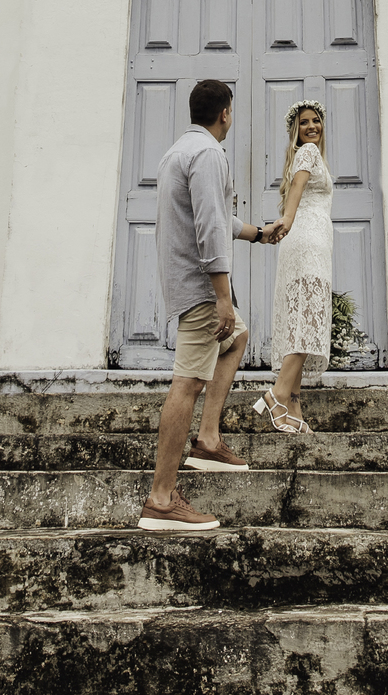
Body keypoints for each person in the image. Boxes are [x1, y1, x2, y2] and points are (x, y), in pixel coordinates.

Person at [138, 77, 282, 531]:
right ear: (225, 114)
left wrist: (258, 233)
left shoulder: (178, 152)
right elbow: (209, 228)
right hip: (201, 287)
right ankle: (161, 499)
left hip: (189, 282)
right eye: (232, 112)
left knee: (238, 337)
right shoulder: (208, 155)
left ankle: (208, 438)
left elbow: (218, 216)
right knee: (188, 383)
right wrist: (222, 296)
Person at [255, 99, 333, 435]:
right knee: (307, 319)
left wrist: (287, 225)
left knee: (299, 317)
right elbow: (298, 189)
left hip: (301, 242)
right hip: (308, 243)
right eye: (304, 122)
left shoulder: (308, 155)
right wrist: (285, 220)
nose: (311, 126)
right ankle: (278, 395)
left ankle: (293, 408)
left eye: (316, 121)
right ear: (295, 130)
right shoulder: (309, 153)